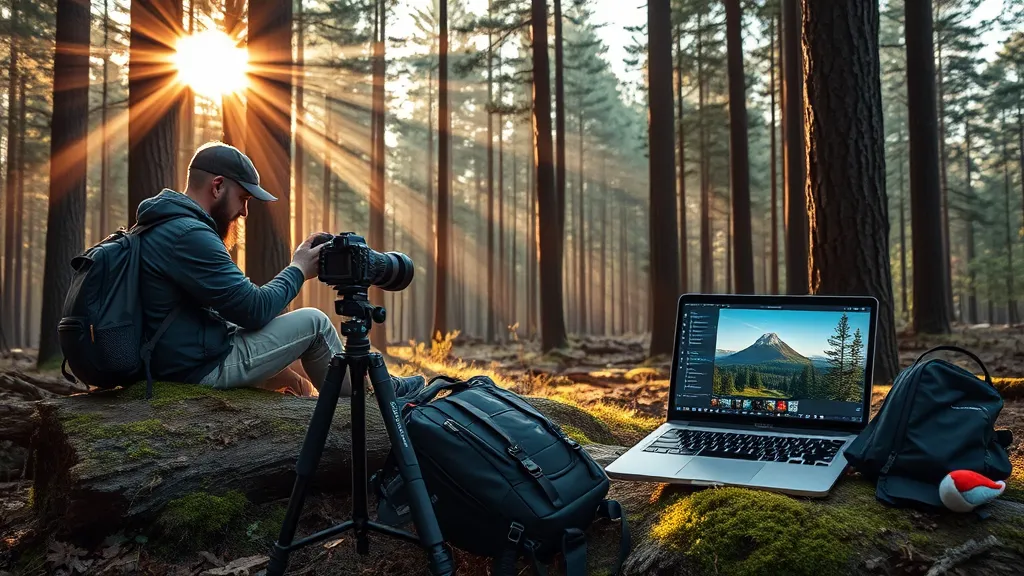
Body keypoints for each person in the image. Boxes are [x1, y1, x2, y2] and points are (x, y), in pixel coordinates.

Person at [135, 141, 422, 398]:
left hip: (178, 356)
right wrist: (298, 268)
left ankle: (373, 381)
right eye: (244, 199)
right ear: (218, 186)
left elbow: (229, 310)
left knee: (297, 357)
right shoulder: (189, 234)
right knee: (314, 323)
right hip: (194, 369)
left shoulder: (164, 223)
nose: (245, 212)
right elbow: (254, 309)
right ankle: (369, 404)